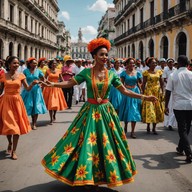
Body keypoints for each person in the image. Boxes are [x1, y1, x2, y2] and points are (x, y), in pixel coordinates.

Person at [41, 38, 157, 189]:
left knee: (107, 145)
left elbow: (125, 90)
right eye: (101, 54)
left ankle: (102, 175)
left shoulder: (113, 75)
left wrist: (144, 97)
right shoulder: (86, 72)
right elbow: (70, 83)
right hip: (89, 112)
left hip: (106, 113)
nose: (105, 57)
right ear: (94, 56)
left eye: (106, 54)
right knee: (86, 144)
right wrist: (54, 84)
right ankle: (87, 175)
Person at [0, 56, 39, 160]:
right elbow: (0, 91)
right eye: (14, 63)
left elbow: (27, 88)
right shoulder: (3, 76)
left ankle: (14, 151)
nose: (16, 65)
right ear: (9, 64)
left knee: (16, 127)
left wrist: (33, 84)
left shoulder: (21, 75)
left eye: (17, 63)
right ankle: (9, 142)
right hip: (6, 102)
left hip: (17, 102)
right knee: (9, 126)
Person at [165, 55, 192, 163]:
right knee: (187, 128)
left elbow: (168, 91)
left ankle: (188, 152)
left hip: (178, 105)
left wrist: (166, 105)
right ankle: (181, 148)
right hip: (190, 104)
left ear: (179, 63)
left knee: (182, 129)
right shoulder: (191, 74)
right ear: (187, 64)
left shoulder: (173, 75)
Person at [119, 58, 142, 138]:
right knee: (127, 110)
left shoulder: (137, 73)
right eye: (130, 63)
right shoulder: (123, 73)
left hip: (135, 92)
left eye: (133, 63)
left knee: (134, 110)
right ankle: (125, 126)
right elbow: (121, 84)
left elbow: (139, 83)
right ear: (127, 64)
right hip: (127, 93)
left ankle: (132, 131)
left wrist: (141, 90)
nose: (132, 65)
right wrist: (122, 92)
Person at [21, 57, 47, 130]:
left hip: (36, 91)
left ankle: (34, 123)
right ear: (29, 64)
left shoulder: (38, 71)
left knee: (36, 106)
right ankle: (25, 122)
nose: (35, 64)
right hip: (28, 90)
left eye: (36, 63)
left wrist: (41, 83)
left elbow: (43, 80)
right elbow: (22, 80)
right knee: (27, 106)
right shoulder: (25, 71)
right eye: (33, 63)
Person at [142, 57, 164, 134]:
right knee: (150, 109)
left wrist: (162, 91)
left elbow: (162, 82)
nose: (154, 64)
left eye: (155, 63)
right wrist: (143, 93)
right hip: (149, 92)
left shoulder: (159, 72)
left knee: (156, 109)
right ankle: (148, 125)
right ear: (149, 64)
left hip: (157, 92)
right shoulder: (146, 73)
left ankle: (154, 128)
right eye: (153, 63)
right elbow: (143, 84)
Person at [43, 59, 68, 124]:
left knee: (55, 104)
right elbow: (44, 79)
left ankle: (54, 114)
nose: (54, 65)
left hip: (56, 88)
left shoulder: (59, 71)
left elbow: (62, 79)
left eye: (55, 63)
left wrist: (66, 83)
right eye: (53, 63)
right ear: (50, 65)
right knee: (50, 103)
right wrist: (43, 84)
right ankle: (51, 118)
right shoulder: (48, 71)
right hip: (49, 88)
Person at [162, 58, 177, 130]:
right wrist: (169, 82)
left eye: (172, 63)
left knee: (173, 106)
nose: (171, 64)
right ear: (167, 64)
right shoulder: (165, 69)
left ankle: (171, 123)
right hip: (167, 88)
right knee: (168, 105)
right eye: (169, 63)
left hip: (174, 90)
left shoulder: (175, 70)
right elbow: (164, 78)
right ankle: (167, 123)